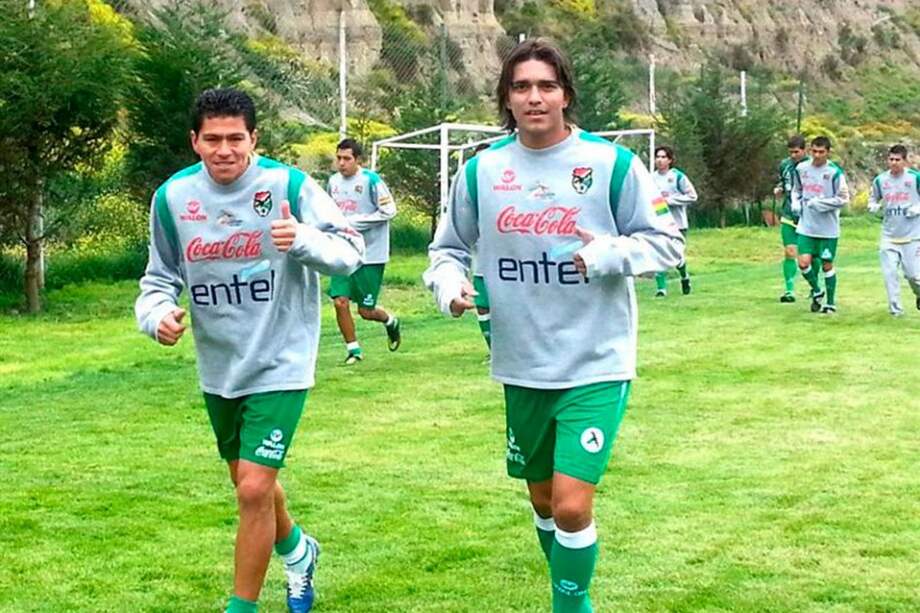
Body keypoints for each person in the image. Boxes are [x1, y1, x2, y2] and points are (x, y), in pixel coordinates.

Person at [424, 38, 684, 612]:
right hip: (520, 362)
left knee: (570, 504)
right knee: (543, 501)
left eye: (546, 85)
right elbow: (445, 249)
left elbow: (668, 245)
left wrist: (607, 254)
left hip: (596, 359)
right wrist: (449, 286)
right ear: (506, 99)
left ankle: (570, 606)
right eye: (521, 87)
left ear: (566, 94)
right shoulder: (480, 171)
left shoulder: (612, 164)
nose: (535, 97)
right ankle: (571, 594)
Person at [134, 88, 364, 613]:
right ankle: (298, 550)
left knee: (254, 488)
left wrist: (301, 238)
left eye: (235, 138)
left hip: (282, 359)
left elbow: (351, 252)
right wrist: (156, 317)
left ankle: (242, 606)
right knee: (250, 483)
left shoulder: (290, 185)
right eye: (212, 139)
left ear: (254, 138)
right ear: (194, 141)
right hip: (220, 367)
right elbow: (158, 277)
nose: (224, 150)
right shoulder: (172, 199)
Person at [326, 138, 401, 364]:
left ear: (358, 160)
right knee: (340, 301)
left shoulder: (371, 180)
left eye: (347, 159)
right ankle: (354, 350)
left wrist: (357, 222)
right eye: (338, 158)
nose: (341, 163)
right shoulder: (333, 182)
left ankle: (390, 321)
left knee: (366, 312)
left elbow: (389, 211)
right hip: (342, 250)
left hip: (371, 253)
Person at [792, 135, 850, 314]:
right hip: (807, 225)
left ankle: (830, 303)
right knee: (803, 262)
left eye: (821, 152)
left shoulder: (834, 172)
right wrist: (795, 201)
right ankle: (817, 290)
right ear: (810, 151)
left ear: (828, 152)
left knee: (826, 264)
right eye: (814, 151)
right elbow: (797, 189)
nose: (817, 155)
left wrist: (822, 204)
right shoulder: (801, 168)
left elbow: (843, 199)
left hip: (827, 228)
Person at [868, 144, 920, 316]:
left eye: (898, 160)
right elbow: (873, 197)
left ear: (905, 161)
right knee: (889, 274)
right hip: (889, 235)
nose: (894, 163)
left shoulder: (914, 178)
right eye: (891, 159)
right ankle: (895, 310)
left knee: (913, 276)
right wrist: (874, 206)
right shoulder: (881, 180)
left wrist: (917, 208)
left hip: (912, 235)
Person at [652, 146, 697, 297]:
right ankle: (661, 289)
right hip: (658, 223)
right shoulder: (651, 178)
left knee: (676, 255)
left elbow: (692, 196)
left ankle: (684, 276)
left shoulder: (677, 177)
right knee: (659, 252)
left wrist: (670, 200)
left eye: (663, 157)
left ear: (670, 160)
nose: (660, 160)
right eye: (657, 156)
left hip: (678, 224)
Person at [774, 135, 809, 303]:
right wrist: (779, 188)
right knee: (790, 252)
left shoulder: (811, 166)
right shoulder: (785, 165)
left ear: (804, 150)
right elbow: (782, 182)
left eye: (796, 152)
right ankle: (789, 290)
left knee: (810, 256)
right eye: (791, 152)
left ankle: (814, 287)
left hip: (808, 216)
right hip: (788, 214)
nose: (793, 155)